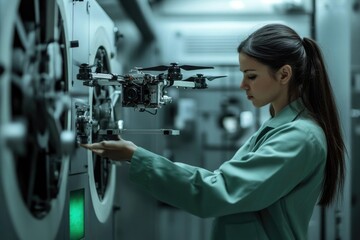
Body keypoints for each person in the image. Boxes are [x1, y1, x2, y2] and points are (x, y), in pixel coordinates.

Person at [82, 23, 346, 240]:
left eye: (251, 75)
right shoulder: (280, 128)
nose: (243, 85)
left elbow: (218, 192)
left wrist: (135, 156)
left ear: (284, 74)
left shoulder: (300, 137)